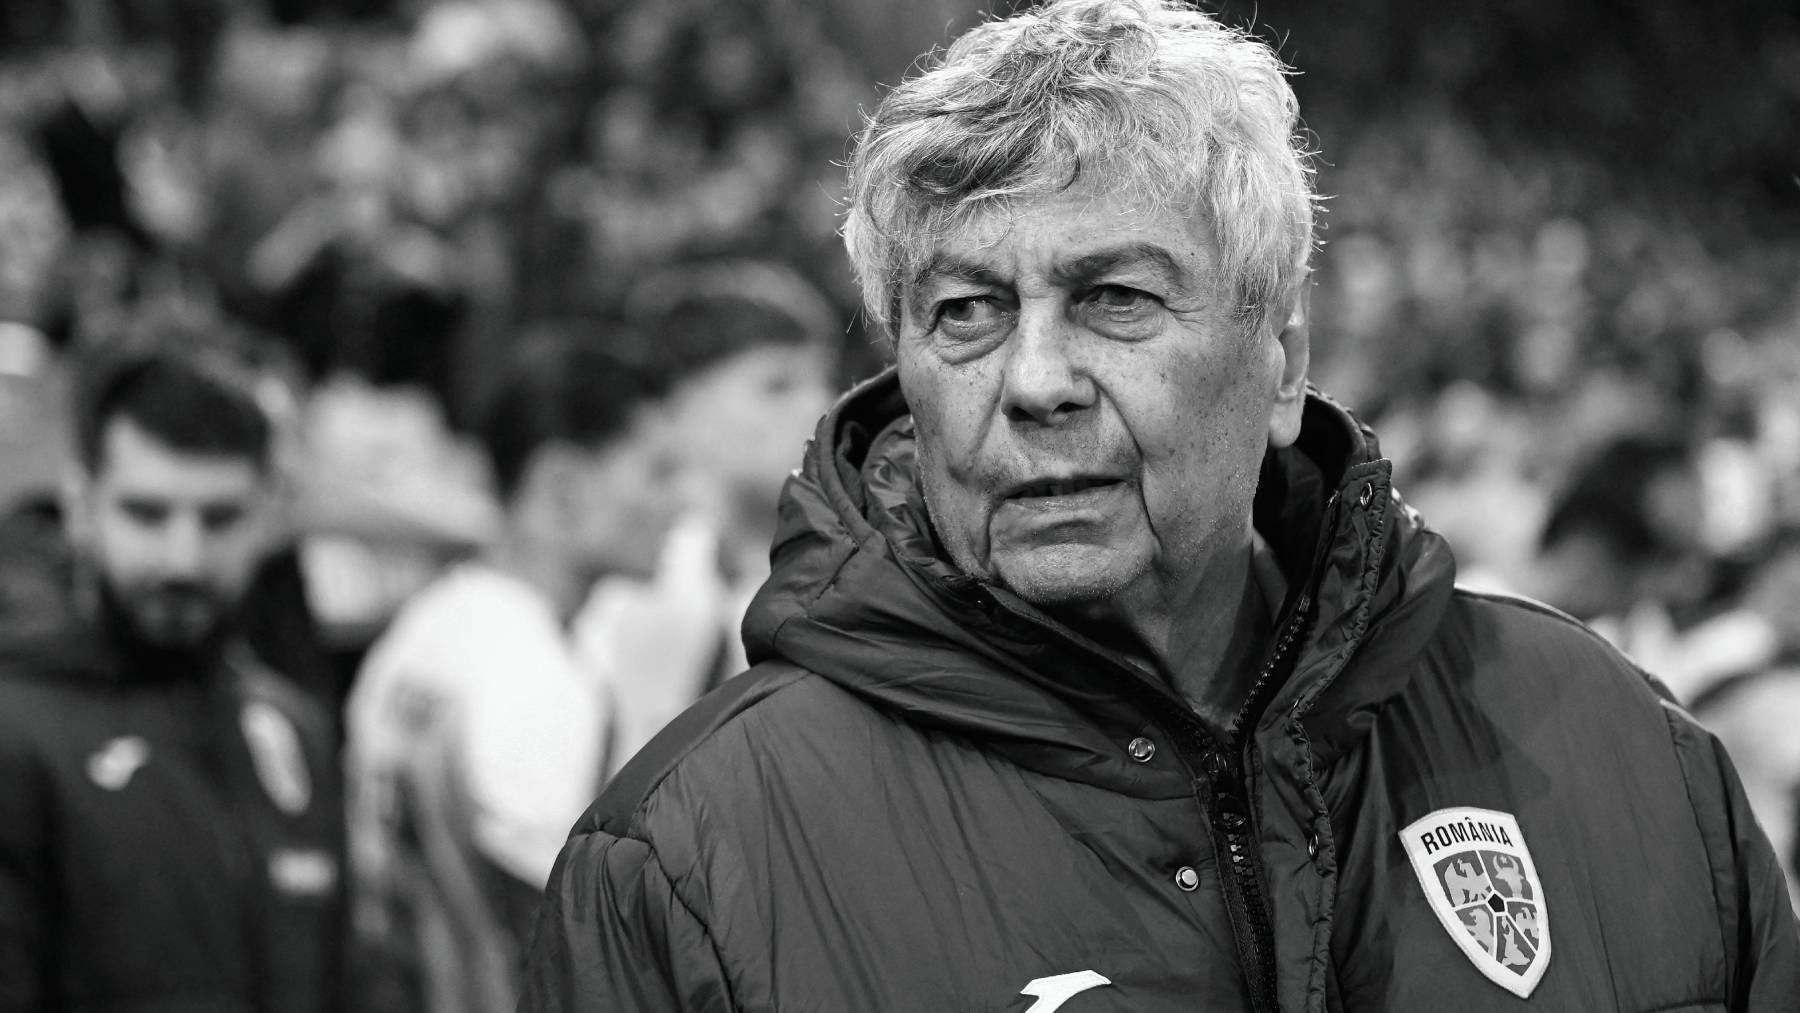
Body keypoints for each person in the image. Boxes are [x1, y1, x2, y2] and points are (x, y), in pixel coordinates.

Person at [522, 1, 1800, 1010]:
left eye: (1116, 298)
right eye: (965, 312)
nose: (1032, 382)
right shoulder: (689, 856)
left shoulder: (1618, 749)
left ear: (1284, 361)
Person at [344, 330, 687, 1013]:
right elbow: (555, 940)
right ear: (561, 488)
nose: (681, 503)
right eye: (657, 472)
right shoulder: (531, 673)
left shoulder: (428, 625)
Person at [0, 337, 344, 1013]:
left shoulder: (290, 732)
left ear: (269, 514)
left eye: (220, 518)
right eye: (147, 513)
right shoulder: (15, 729)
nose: (183, 557)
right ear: (80, 507)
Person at [573, 260, 840, 768]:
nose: (820, 405)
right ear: (681, 401)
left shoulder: (788, 566)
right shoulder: (641, 577)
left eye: (822, 380)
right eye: (777, 386)